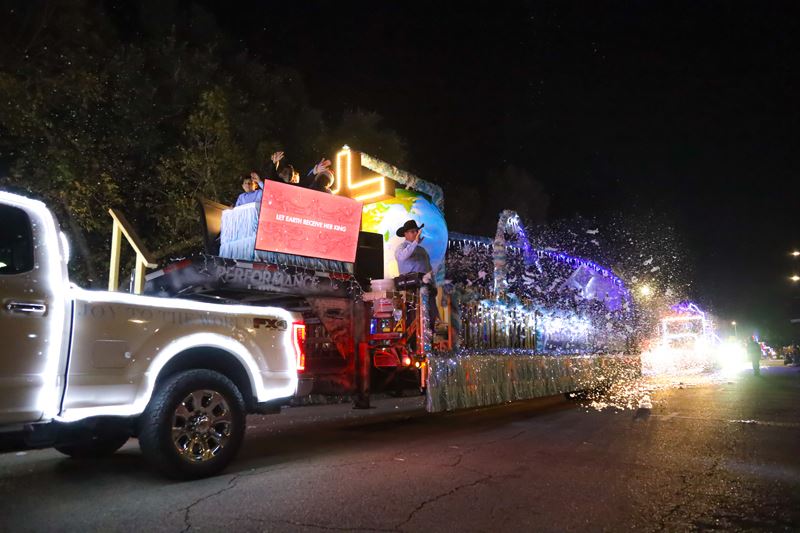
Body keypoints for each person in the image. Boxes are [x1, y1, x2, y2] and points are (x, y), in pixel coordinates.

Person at [394, 219, 439, 326]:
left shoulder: (422, 250)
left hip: (426, 286)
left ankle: (431, 335)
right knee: (413, 317)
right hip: (410, 287)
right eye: (412, 231)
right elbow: (402, 257)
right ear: (405, 234)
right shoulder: (402, 247)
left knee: (431, 316)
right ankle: (414, 340)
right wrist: (415, 243)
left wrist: (434, 284)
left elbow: (428, 268)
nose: (415, 233)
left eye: (416, 231)